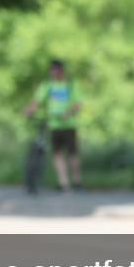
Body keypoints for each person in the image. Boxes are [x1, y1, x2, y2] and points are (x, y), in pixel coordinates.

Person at [23, 59, 83, 192]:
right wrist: (28, 110)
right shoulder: (48, 85)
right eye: (51, 70)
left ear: (61, 70)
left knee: (72, 153)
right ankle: (63, 183)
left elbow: (78, 103)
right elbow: (37, 100)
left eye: (55, 70)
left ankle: (77, 181)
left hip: (69, 124)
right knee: (57, 154)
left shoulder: (71, 85)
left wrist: (68, 113)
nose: (53, 73)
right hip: (54, 124)